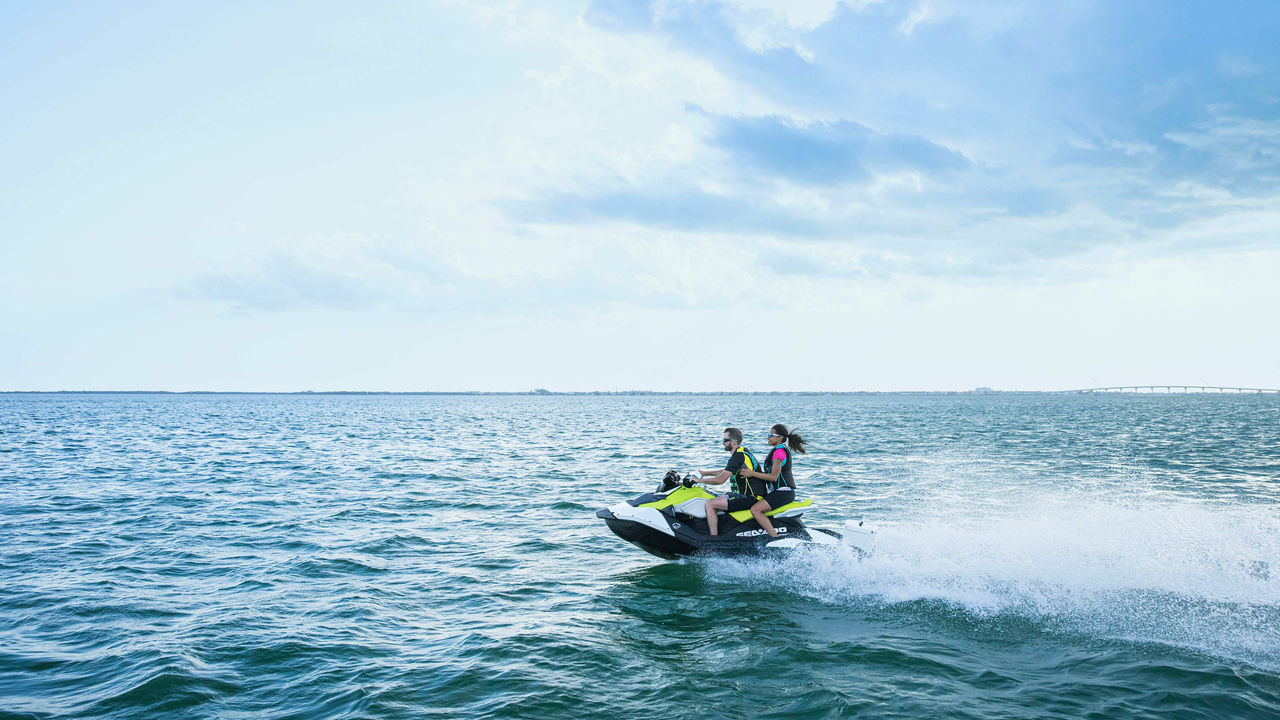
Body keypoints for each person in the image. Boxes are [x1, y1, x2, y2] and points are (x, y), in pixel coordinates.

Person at [736, 424, 807, 538]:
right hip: (778, 492)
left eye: (770, 435)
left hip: (784, 493)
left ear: (779, 437)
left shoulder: (779, 453)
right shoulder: (777, 451)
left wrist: (752, 473)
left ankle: (775, 538)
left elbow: (773, 477)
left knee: (756, 510)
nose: (768, 437)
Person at [694, 427, 764, 536]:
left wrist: (698, 480)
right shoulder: (743, 452)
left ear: (733, 442)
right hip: (750, 495)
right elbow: (726, 471)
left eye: (725, 440)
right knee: (715, 497)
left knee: (710, 504)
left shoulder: (737, 456)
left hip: (750, 497)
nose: (723, 443)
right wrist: (705, 473)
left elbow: (721, 479)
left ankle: (713, 540)